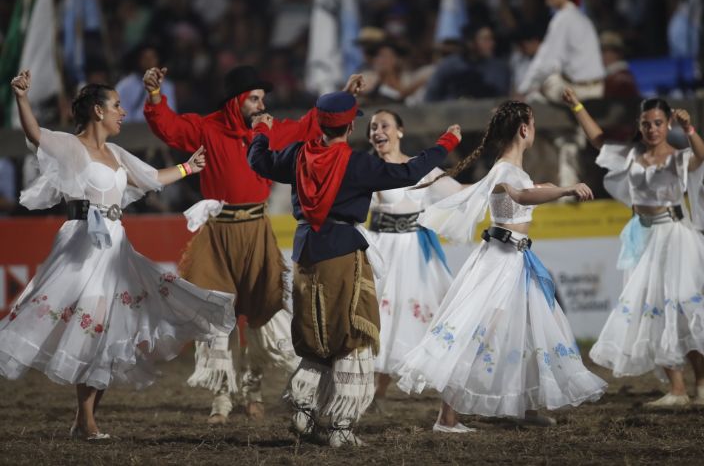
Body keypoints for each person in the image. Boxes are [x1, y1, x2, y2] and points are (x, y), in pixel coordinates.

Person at [0, 71, 236, 440]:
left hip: (115, 248)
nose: (123, 112)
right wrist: (22, 98)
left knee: (106, 333)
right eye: (117, 106)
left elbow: (150, 177)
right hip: (81, 249)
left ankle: (84, 419)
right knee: (89, 327)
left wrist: (189, 167)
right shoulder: (71, 146)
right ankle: (86, 419)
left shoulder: (116, 153)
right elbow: (35, 135)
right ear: (97, 111)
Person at [247, 90, 462, 447]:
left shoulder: (298, 154)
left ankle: (304, 409)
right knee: (351, 339)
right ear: (350, 126)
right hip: (343, 252)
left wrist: (260, 132)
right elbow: (410, 171)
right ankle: (342, 427)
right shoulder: (358, 164)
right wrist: (446, 142)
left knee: (316, 336)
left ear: (319, 123)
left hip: (305, 251)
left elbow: (259, 162)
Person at [142, 65, 349, 424]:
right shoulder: (206, 128)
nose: (260, 104)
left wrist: (343, 99)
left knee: (262, 313)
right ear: (237, 101)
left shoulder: (268, 131)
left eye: (262, 99)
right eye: (254, 98)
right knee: (214, 315)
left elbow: (307, 125)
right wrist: (156, 96)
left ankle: (252, 388)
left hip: (256, 230)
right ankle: (221, 397)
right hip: (217, 233)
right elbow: (170, 128)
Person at [395, 101, 607, 431]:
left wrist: (543, 188)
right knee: (479, 331)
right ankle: (447, 418)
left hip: (516, 260)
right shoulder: (506, 170)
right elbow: (520, 197)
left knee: (526, 329)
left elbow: (523, 193)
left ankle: (523, 405)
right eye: (533, 124)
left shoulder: (509, 169)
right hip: (499, 262)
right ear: (525, 129)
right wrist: (564, 189)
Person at [562, 88, 704, 407]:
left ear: (667, 125)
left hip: (676, 238)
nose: (652, 129)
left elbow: (701, 155)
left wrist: (689, 129)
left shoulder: (678, 158)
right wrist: (577, 106)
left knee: (680, 310)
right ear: (640, 125)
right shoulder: (633, 156)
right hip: (644, 238)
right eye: (647, 124)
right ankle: (677, 388)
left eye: (659, 123)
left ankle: (702, 377)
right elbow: (599, 141)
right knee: (653, 311)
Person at [362, 109, 463, 415]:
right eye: (372, 127)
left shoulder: (423, 169)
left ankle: (446, 403)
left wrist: (501, 184)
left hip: (417, 257)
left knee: (417, 320)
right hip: (382, 252)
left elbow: (458, 194)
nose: (378, 131)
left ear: (400, 131)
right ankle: (373, 394)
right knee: (382, 320)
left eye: (384, 125)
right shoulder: (368, 169)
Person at [517, 0, 605, 103]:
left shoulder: (563, 18)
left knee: (543, 85)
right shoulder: (583, 18)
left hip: (580, 92)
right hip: (598, 90)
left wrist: (523, 90)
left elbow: (545, 62)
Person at [425, 22, 511, 102]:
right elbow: (432, 96)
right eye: (485, 39)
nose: (491, 43)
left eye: (491, 39)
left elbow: (501, 99)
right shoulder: (450, 66)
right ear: (470, 43)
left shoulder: (499, 69)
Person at [600, 31, 640, 99]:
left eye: (612, 50)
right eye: (603, 50)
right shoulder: (605, 75)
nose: (607, 55)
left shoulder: (621, 78)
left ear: (620, 53)